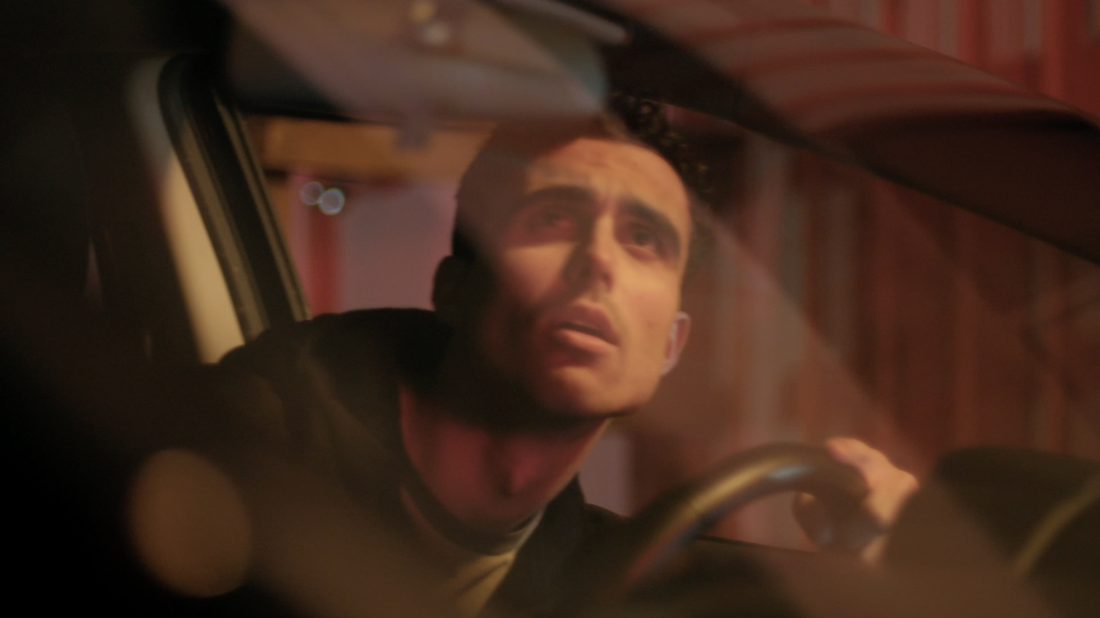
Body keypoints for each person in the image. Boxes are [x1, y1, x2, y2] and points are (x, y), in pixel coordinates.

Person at [221, 96, 917, 616]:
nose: (598, 261)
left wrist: (881, 579)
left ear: (670, 346)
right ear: (455, 289)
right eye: (553, 218)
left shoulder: (611, 575)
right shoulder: (228, 451)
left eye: (644, 239)